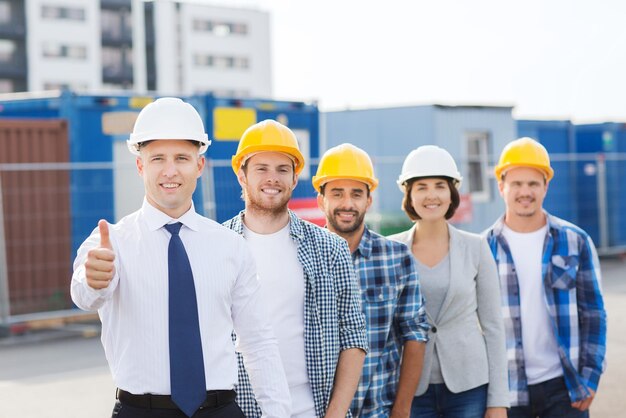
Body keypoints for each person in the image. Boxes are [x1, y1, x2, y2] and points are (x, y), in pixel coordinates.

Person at [71, 98, 290, 418]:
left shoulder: (231, 247)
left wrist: (279, 414)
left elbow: (258, 342)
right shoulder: (112, 242)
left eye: (182, 158)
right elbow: (85, 294)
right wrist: (92, 279)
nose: (170, 170)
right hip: (141, 410)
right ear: (140, 165)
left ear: (199, 165)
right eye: (158, 158)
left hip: (220, 410)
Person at [223, 120, 368, 418]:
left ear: (295, 176)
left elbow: (353, 336)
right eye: (262, 168)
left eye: (282, 169)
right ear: (242, 175)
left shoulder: (331, 248)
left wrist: (336, 414)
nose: (272, 178)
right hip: (240, 411)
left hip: (314, 411)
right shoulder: (217, 247)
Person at [485, 137, 607, 418]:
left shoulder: (575, 241)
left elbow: (594, 314)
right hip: (508, 389)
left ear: (545, 187)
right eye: (516, 183)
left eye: (533, 184)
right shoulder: (483, 249)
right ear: (501, 186)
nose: (525, 191)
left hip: (564, 386)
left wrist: (590, 377)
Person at [388, 145, 509, 418]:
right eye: (421, 187)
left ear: (452, 192)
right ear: (409, 194)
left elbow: (493, 328)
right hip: (410, 389)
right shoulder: (391, 250)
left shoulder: (476, 247)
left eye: (440, 186)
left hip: (469, 387)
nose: (432, 195)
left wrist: (498, 401)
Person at [313, 143, 429, 418]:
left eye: (356, 194)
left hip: (378, 409)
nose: (347, 204)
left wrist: (401, 410)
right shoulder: (302, 257)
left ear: (369, 200)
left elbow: (415, 333)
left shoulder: (397, 257)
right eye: (337, 193)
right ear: (321, 200)